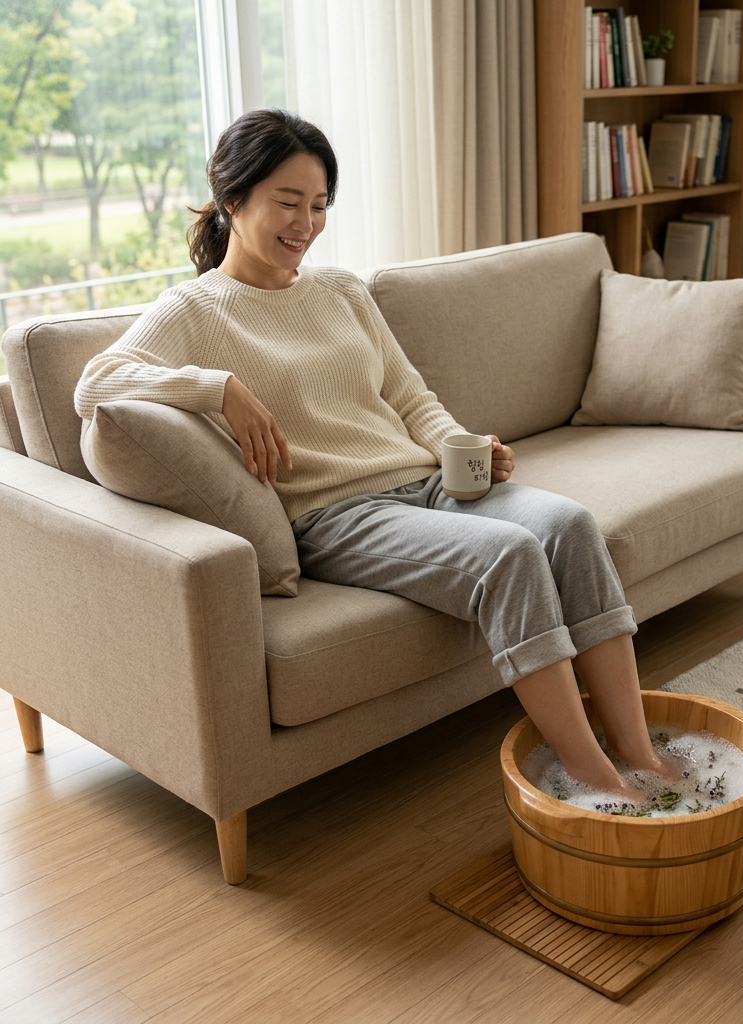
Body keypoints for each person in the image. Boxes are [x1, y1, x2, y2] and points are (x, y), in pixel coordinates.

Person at [74, 108, 671, 803]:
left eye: (320, 204)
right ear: (233, 199)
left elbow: (410, 396)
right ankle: (590, 776)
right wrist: (217, 388)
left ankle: (636, 750)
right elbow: (96, 384)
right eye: (288, 202)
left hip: (425, 484)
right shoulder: (194, 311)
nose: (306, 223)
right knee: (508, 557)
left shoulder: (341, 290)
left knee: (568, 524)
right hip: (335, 515)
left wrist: (462, 451)